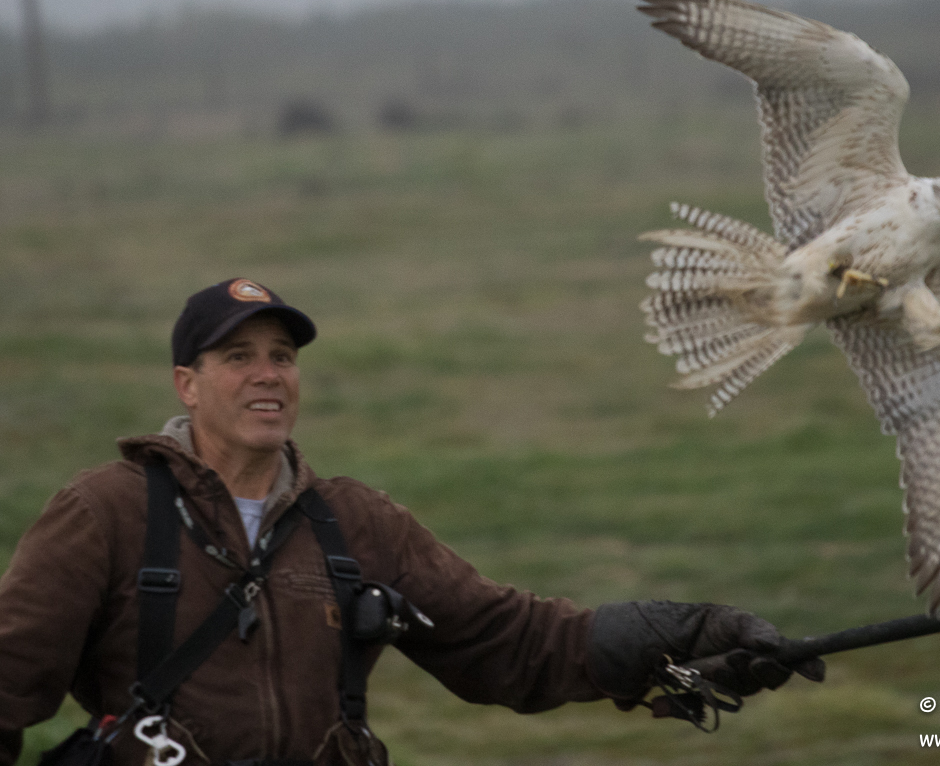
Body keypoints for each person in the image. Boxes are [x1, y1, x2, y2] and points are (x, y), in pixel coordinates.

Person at [0, 278, 823, 766]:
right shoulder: (105, 512)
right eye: (238, 357)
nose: (268, 377)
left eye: (282, 357)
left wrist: (680, 639)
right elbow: (7, 683)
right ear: (187, 383)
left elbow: (512, 642)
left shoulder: (354, 524)